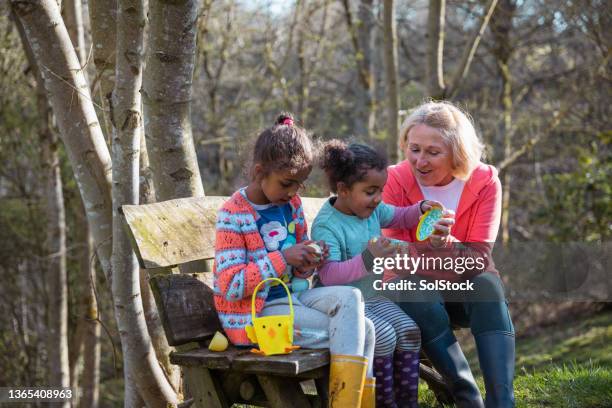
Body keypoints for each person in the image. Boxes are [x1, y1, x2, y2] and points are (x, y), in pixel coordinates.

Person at [213, 113, 376, 407]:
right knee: (360, 332)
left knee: (359, 312)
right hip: (257, 317)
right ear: (259, 171)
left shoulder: (292, 206)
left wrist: (308, 260)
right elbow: (231, 285)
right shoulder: (233, 215)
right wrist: (283, 257)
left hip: (293, 301)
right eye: (286, 183)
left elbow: (297, 270)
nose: (292, 193)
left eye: (299, 185)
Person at [382, 101, 515, 408]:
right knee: (415, 293)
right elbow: (391, 256)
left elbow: (480, 257)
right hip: (412, 292)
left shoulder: (484, 182)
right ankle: (468, 398)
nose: (420, 161)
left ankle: (502, 403)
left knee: (488, 286)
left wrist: (448, 244)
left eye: (432, 152)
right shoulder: (394, 181)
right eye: (414, 149)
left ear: (457, 152)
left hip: (462, 288)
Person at [311, 140, 447, 408]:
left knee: (409, 331)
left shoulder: (369, 210)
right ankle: (383, 403)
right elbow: (329, 276)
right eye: (371, 191)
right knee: (383, 336)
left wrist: (419, 210)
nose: (378, 199)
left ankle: (408, 401)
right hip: (347, 306)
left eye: (381, 191)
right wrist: (368, 258)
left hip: (373, 297)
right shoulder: (327, 225)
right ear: (343, 189)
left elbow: (398, 217)